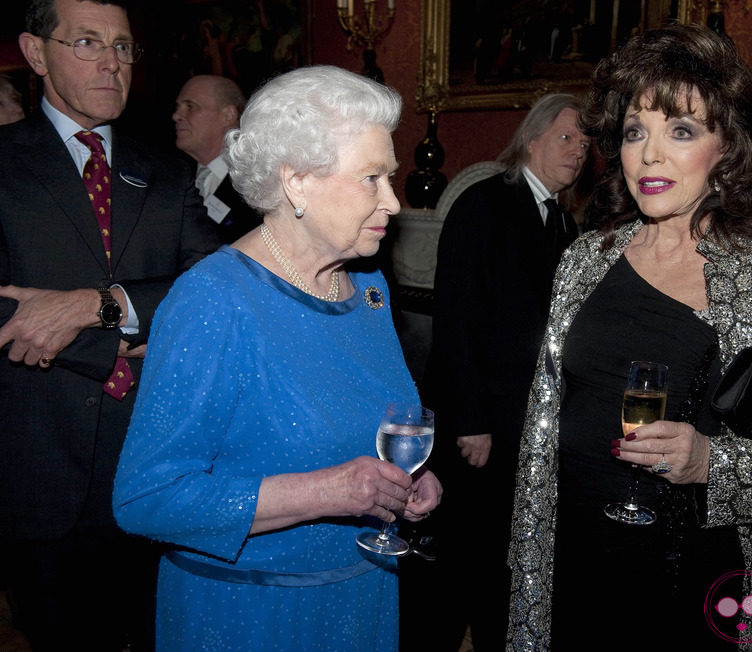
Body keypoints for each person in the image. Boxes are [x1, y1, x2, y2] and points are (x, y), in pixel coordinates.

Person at [507, 25, 752, 651]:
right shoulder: (585, 259)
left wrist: (713, 463)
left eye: (681, 131)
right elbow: (543, 426)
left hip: (705, 580)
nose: (649, 155)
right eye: (633, 131)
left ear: (726, 146)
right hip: (575, 566)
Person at [112, 65, 443, 651]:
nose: (393, 202)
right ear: (297, 183)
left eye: (390, 177)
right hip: (253, 614)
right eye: (372, 178)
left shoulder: (367, 287)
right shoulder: (214, 300)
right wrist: (329, 491)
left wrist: (403, 484)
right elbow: (146, 499)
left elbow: (372, 428)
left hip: (362, 597)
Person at [0, 0, 221, 649]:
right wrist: (114, 351)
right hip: (40, 468)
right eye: (89, 42)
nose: (111, 62)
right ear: (36, 53)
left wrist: (94, 306)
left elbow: (217, 284)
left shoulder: (166, 170)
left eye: (123, 46)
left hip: (158, 460)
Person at [410, 93, 588, 651]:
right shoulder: (485, 202)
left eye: (586, 144)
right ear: (532, 138)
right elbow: (457, 316)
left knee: (498, 559)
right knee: (458, 561)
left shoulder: (561, 219)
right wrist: (470, 420)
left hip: (523, 424)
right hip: (480, 424)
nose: (579, 151)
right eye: (567, 137)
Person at [173, 73, 261, 243]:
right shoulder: (172, 176)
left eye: (190, 106)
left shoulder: (257, 182)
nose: (177, 115)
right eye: (178, 107)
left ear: (228, 115)